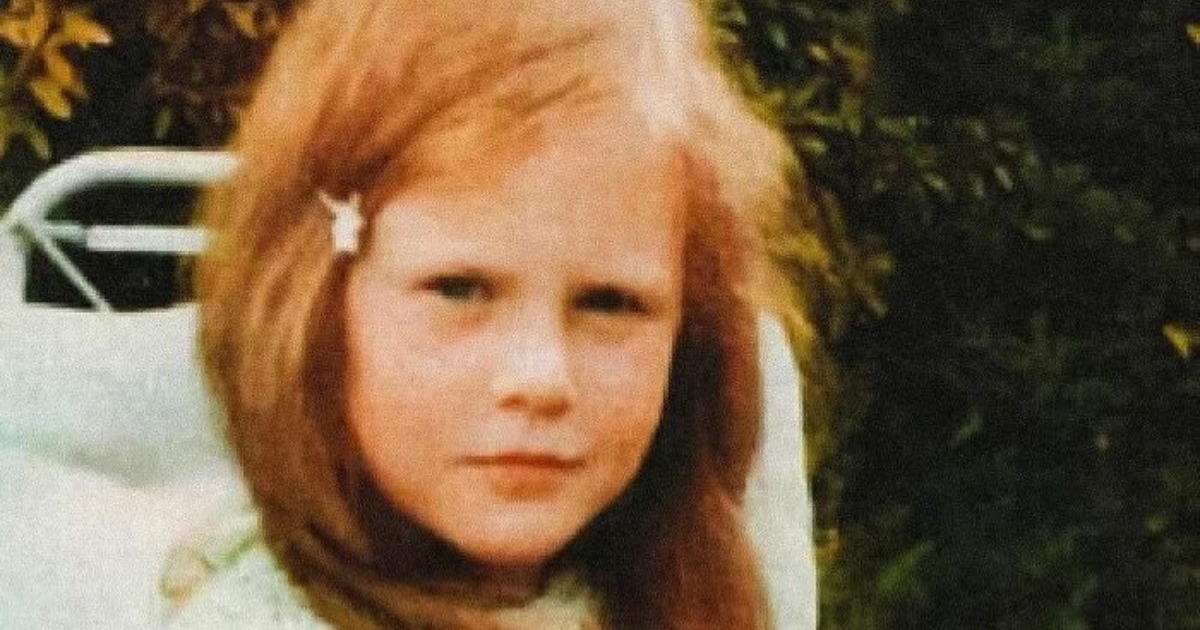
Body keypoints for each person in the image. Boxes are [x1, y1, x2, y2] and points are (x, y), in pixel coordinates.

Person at [171, 0, 799, 627]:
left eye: (609, 302)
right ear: (313, 308)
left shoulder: (671, 589)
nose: (541, 378)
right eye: (461, 290)